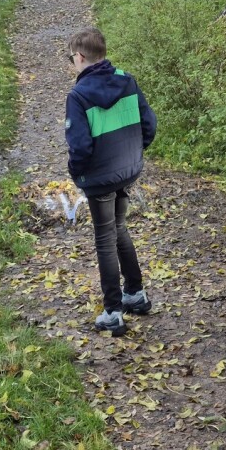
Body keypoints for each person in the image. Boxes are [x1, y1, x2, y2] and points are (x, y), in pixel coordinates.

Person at [64, 27, 156, 336]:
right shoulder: (127, 80)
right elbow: (149, 125)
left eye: (71, 58)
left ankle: (113, 311)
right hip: (127, 170)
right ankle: (136, 294)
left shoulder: (78, 96)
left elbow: (79, 147)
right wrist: (133, 154)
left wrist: (77, 173)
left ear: (79, 57)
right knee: (119, 229)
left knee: (105, 237)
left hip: (101, 177)